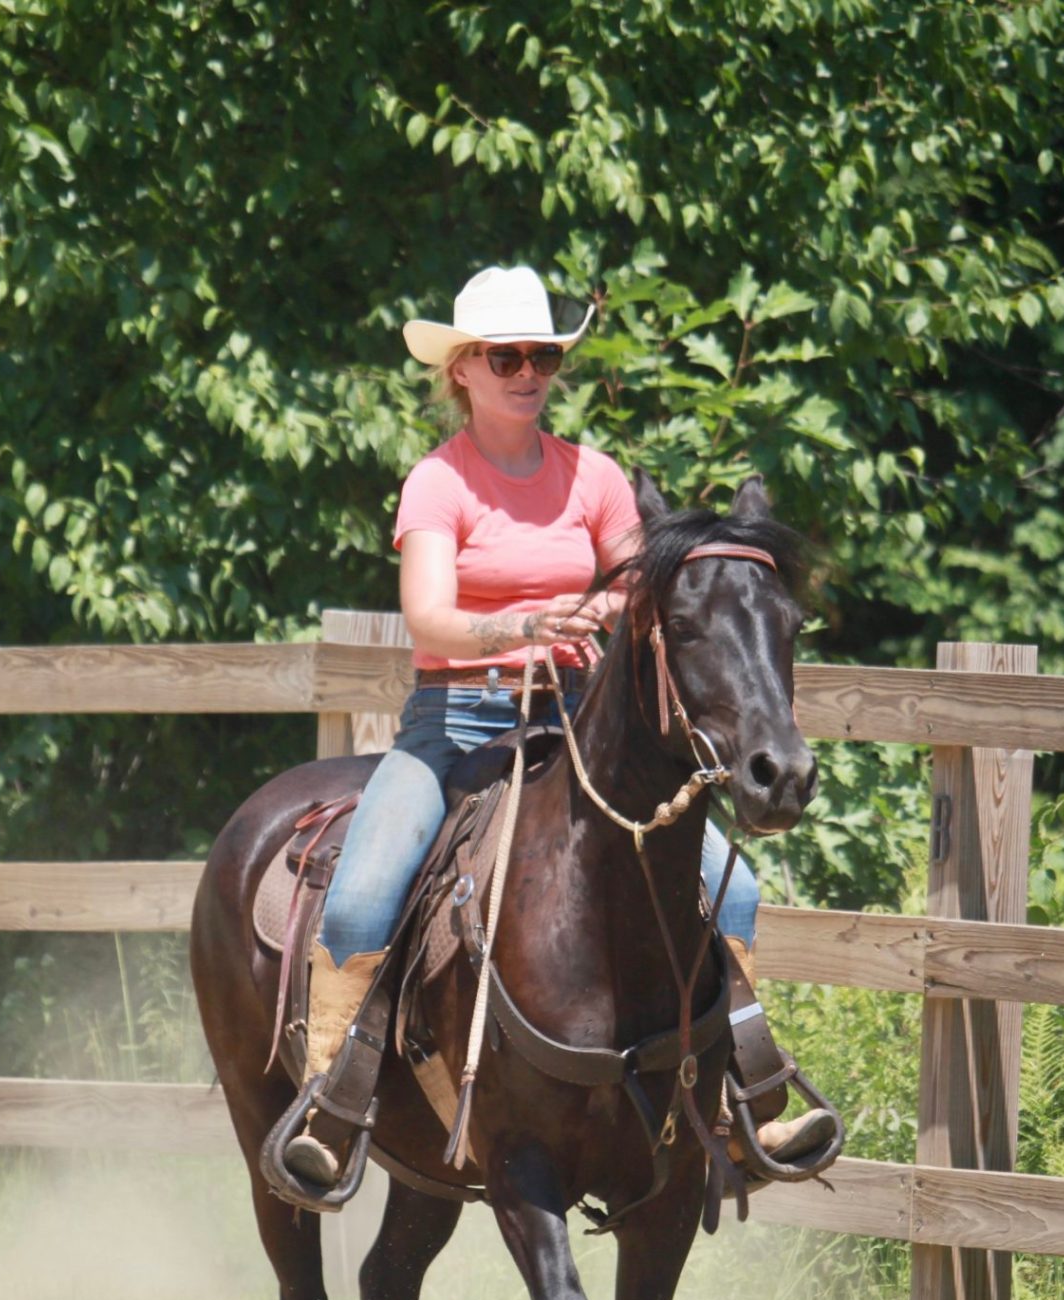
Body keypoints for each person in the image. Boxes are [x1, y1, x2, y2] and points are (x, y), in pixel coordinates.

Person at [282, 265, 774, 1188]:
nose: (528, 370)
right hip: (454, 724)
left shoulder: (593, 478)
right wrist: (519, 628)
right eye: (505, 356)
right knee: (359, 897)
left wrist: (620, 611)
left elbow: (639, 588)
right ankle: (331, 1106)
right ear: (462, 369)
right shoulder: (438, 483)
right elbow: (427, 616)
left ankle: (740, 1103)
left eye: (542, 354)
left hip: (578, 729)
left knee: (731, 891)